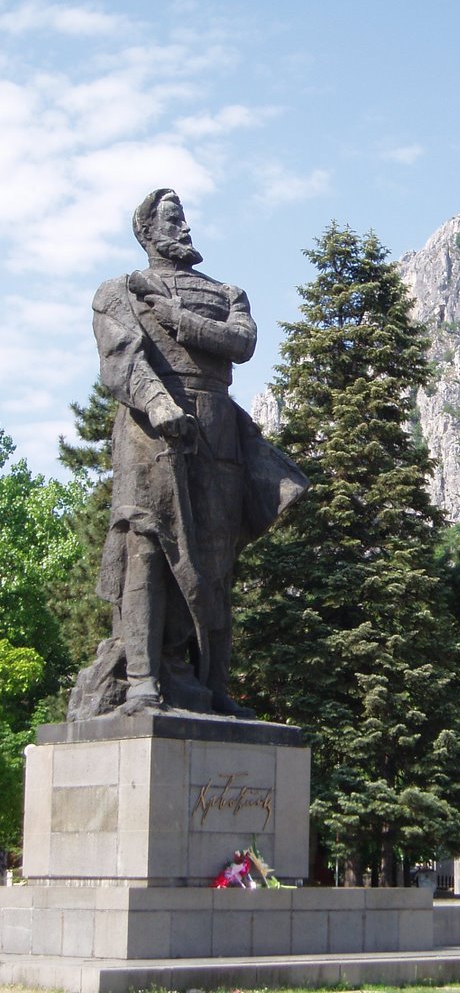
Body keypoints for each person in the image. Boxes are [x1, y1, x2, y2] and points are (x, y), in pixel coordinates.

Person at [72, 189, 307, 717]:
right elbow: (120, 362)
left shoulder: (228, 292)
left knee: (216, 561)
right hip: (146, 436)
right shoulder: (118, 293)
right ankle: (141, 682)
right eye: (172, 221)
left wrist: (180, 318)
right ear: (147, 232)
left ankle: (214, 688)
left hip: (217, 432)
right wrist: (157, 405)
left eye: (184, 219)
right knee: (147, 553)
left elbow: (241, 344)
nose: (184, 228)